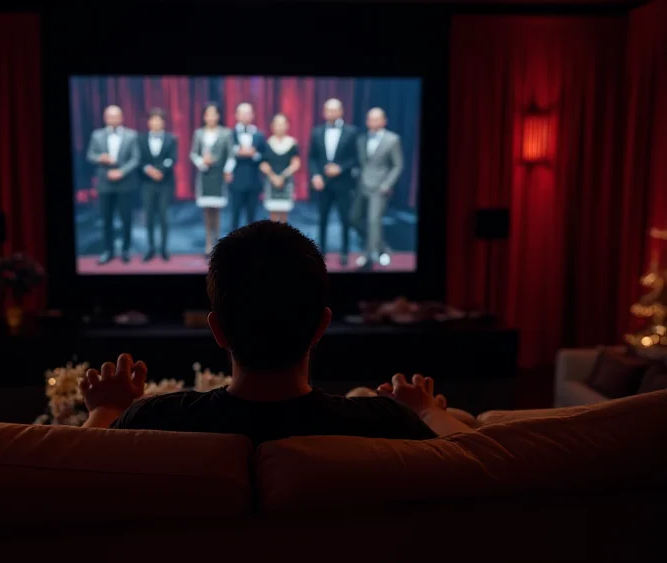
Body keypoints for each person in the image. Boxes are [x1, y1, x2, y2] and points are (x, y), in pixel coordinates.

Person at [78, 221, 475, 444]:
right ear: (322, 325)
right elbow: (477, 456)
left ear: (217, 330)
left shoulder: (153, 421)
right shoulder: (385, 424)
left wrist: (106, 410)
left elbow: (78, 470)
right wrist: (426, 411)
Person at [86, 105, 140, 265]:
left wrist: (121, 172)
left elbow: (135, 159)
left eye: (116, 116)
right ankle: (107, 250)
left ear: (121, 117)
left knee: (126, 218)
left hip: (125, 182)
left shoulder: (131, 135)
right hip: (105, 183)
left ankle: (126, 250)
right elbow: (90, 155)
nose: (113, 119)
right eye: (110, 116)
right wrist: (100, 158)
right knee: (106, 219)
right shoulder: (97, 135)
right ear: (105, 118)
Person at [308, 98, 358, 267]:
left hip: (343, 183)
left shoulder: (351, 132)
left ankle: (344, 251)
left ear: (341, 111)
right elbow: (312, 157)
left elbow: (356, 158)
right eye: (328, 110)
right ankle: (321, 251)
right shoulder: (316, 132)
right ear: (324, 112)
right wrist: (315, 175)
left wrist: (341, 168)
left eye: (334, 110)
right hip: (323, 183)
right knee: (322, 219)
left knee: (345, 219)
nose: (331, 113)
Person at [352, 107, 403, 270]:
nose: (372, 122)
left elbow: (397, 165)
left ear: (383, 121)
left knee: (374, 221)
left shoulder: (392, 139)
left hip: (380, 188)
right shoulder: (361, 139)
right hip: (362, 186)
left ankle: (369, 256)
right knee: (354, 218)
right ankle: (383, 248)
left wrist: (387, 184)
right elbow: (361, 163)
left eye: (375, 119)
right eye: (369, 119)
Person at [190, 103, 235, 256]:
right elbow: (193, 154)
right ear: (204, 117)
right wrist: (202, 162)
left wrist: (228, 170)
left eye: (214, 114)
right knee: (207, 212)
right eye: (208, 114)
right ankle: (208, 243)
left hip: (219, 175)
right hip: (205, 175)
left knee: (217, 212)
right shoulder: (199, 133)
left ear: (218, 116)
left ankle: (217, 243)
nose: (211, 117)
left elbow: (230, 155)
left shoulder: (226, 133)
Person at [138, 108, 177, 262]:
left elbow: (172, 159)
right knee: (149, 217)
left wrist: (160, 171)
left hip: (165, 183)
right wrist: (149, 170)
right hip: (147, 183)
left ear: (163, 123)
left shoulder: (171, 139)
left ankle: (164, 248)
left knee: (163, 216)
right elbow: (139, 160)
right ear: (149, 122)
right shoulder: (140, 139)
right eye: (153, 120)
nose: (156, 123)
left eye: (159, 120)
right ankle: (150, 248)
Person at [229, 102, 267, 230]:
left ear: (253, 115)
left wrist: (253, 154)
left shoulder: (259, 135)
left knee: (252, 218)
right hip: (236, 180)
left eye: (248, 113)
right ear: (236, 115)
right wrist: (237, 152)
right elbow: (226, 155)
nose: (245, 116)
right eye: (242, 113)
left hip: (254, 180)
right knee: (234, 216)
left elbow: (264, 156)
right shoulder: (230, 134)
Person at [259, 113, 301, 224]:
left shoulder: (292, 143)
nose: (280, 127)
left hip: (286, 181)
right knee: (272, 215)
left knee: (284, 215)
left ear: (287, 126)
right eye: (277, 124)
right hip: (271, 181)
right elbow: (263, 164)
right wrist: (273, 177)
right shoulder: (266, 143)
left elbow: (296, 163)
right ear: (272, 126)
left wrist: (282, 177)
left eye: (283, 124)